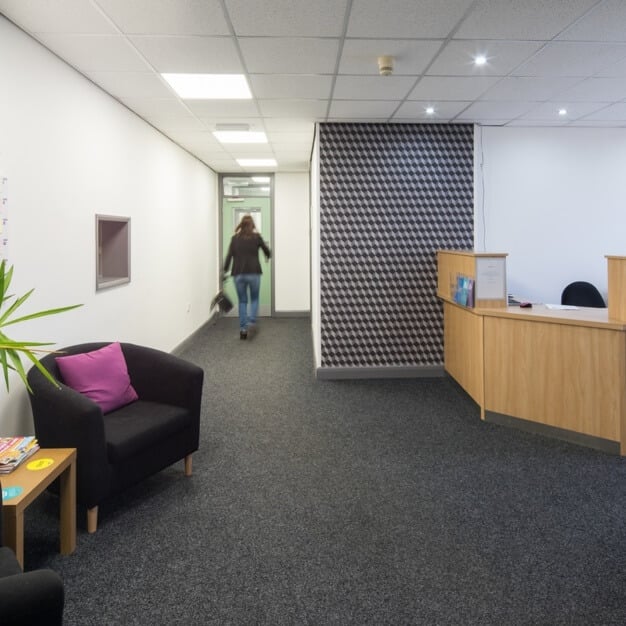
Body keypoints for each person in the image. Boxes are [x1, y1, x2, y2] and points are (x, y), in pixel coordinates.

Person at [223, 214, 271, 339]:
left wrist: (224, 272)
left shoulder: (234, 239)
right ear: (252, 225)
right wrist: (266, 252)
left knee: (242, 301)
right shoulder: (256, 237)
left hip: (238, 274)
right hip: (254, 273)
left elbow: (229, 256)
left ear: (241, 225)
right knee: (254, 299)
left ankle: (243, 330)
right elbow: (268, 252)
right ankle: (252, 321)